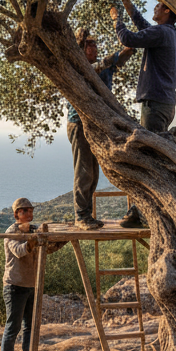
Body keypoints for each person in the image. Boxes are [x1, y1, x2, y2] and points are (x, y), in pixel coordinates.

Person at [110, 0, 176, 228]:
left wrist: (117, 19)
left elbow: (128, 39)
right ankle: (143, 210)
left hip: (154, 104)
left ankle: (141, 212)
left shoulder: (162, 32)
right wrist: (127, 3)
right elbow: (143, 25)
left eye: (159, 5)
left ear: (167, 11)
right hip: (164, 103)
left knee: (148, 159)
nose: (155, 7)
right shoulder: (168, 33)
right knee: (152, 155)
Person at [67, 27, 132, 230]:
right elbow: (94, 69)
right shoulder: (76, 68)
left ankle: (87, 215)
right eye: (89, 44)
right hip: (79, 123)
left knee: (94, 172)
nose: (94, 47)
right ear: (80, 48)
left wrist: (133, 43)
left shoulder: (104, 67)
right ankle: (81, 216)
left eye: (95, 44)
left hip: (97, 125)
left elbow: (121, 57)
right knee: (84, 171)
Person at [1, 197, 64, 351]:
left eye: (31, 210)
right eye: (25, 211)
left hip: (32, 285)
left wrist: (61, 241)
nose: (29, 213)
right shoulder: (11, 232)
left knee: (30, 326)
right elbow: (19, 251)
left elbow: (47, 249)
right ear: (16, 214)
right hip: (15, 286)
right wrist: (32, 240)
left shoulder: (34, 230)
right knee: (13, 327)